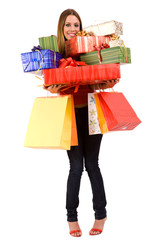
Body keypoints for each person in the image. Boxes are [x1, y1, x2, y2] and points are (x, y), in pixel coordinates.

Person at [46, 9, 119, 237]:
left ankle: (101, 214)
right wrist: (54, 87)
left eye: (76, 25)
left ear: (81, 27)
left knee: (92, 165)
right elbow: (49, 84)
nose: (72, 29)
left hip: (92, 112)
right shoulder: (55, 53)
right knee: (76, 167)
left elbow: (99, 82)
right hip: (69, 115)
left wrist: (107, 80)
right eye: (68, 25)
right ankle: (71, 218)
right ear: (61, 27)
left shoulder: (90, 48)